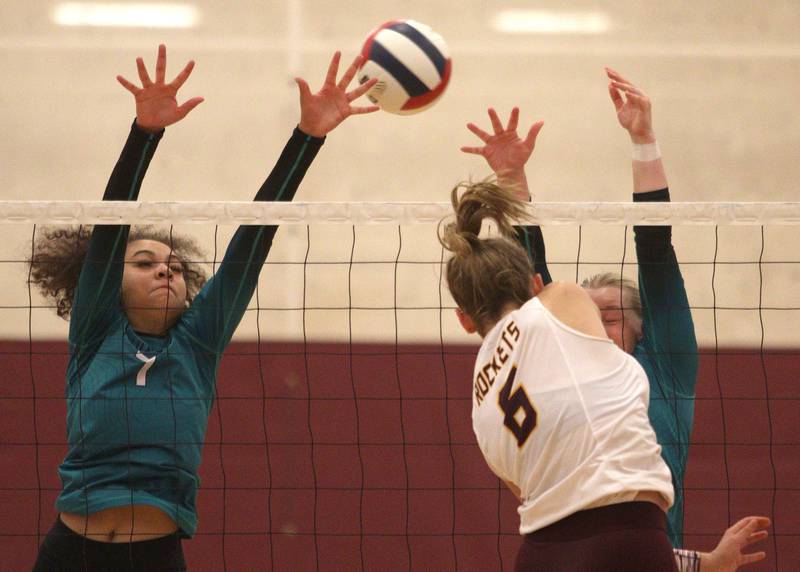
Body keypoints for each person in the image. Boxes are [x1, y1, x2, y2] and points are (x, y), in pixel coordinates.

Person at [29, 44, 377, 571]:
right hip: (70, 554)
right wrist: (145, 133)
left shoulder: (197, 344)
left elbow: (250, 246)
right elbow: (110, 228)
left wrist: (307, 139)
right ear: (108, 284)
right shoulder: (96, 331)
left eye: (173, 266)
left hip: (156, 558)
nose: (165, 270)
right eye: (144, 262)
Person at [458, 71, 769, 571]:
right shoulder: (557, 356)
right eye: (588, 312)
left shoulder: (663, 368)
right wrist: (511, 181)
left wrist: (643, 140)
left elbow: (654, 247)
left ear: (644, 331)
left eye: (611, 315)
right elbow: (532, 283)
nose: (595, 325)